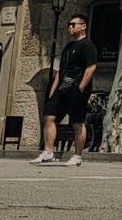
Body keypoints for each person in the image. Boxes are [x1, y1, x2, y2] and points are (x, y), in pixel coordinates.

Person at [34, 13, 96, 165]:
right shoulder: (68, 47)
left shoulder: (88, 45)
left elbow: (91, 67)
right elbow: (60, 71)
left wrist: (81, 87)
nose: (70, 27)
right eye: (69, 24)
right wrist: (53, 90)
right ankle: (48, 151)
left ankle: (77, 156)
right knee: (49, 116)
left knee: (77, 122)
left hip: (76, 88)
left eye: (73, 24)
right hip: (62, 88)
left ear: (83, 26)